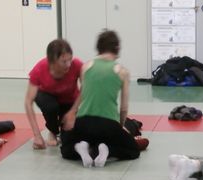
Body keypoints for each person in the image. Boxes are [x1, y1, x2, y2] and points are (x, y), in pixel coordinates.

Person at [60, 30, 146, 168]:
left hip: (83, 122)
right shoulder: (122, 71)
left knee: (65, 149)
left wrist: (73, 112)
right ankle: (107, 150)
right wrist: (121, 126)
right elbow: (124, 108)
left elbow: (83, 93)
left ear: (98, 48)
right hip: (108, 125)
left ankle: (83, 147)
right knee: (133, 150)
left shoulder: (86, 66)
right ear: (117, 48)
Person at [25, 39, 82, 149]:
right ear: (52, 62)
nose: (68, 64)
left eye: (70, 59)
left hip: (68, 101)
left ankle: (61, 131)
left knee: (69, 139)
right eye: (64, 61)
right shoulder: (39, 69)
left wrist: (73, 112)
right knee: (50, 106)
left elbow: (86, 87)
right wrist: (37, 136)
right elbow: (28, 102)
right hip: (48, 98)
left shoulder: (76, 65)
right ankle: (53, 131)